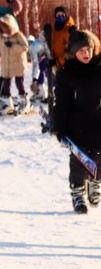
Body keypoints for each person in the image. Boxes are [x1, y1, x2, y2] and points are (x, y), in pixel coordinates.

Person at [46, 30, 101, 213]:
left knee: (99, 158)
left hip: (99, 122)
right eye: (81, 50)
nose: (86, 53)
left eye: (89, 49)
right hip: (77, 126)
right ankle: (78, 194)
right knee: (79, 161)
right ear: (73, 52)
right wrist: (58, 126)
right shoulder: (66, 74)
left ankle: (96, 183)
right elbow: (62, 103)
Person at [0, 11, 30, 114]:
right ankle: (8, 104)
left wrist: (12, 46)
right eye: (1, 27)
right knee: (5, 85)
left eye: (5, 26)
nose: (3, 29)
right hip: (6, 66)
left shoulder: (17, 35)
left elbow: (25, 47)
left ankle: (24, 102)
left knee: (19, 84)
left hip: (18, 65)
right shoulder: (1, 38)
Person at [0, 0, 24, 104]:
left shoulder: (4, 15)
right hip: (9, 45)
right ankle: (2, 95)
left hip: (6, 44)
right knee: (8, 72)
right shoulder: (9, 17)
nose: (18, 13)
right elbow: (12, 32)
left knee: (6, 72)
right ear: (14, 9)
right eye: (18, 10)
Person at [27, 34, 49, 102]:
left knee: (42, 68)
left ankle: (41, 91)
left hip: (53, 53)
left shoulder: (31, 48)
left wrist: (34, 81)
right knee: (42, 67)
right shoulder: (35, 43)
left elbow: (35, 65)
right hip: (51, 53)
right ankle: (41, 91)